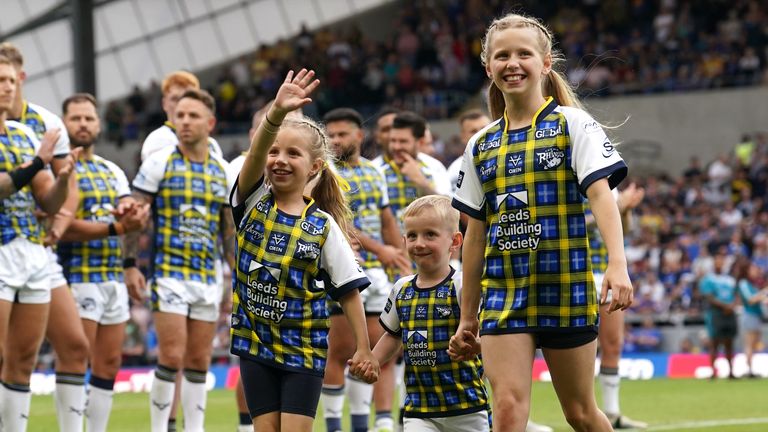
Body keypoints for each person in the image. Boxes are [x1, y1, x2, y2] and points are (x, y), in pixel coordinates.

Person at [449, 13, 630, 432]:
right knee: (508, 411)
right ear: (488, 67)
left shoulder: (573, 125)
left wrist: (617, 265)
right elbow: (474, 234)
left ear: (546, 63)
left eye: (523, 54)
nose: (512, 63)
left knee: (581, 413)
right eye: (502, 56)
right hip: (503, 294)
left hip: (564, 286)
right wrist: (467, 315)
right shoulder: (480, 145)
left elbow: (603, 196)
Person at [229, 68, 378, 432]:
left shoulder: (323, 226)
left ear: (314, 166)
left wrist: (363, 348)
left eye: (292, 153)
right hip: (255, 342)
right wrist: (275, 113)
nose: (279, 159)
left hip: (303, 347)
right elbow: (256, 152)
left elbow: (349, 291)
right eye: (274, 151)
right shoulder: (250, 201)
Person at [126, 88, 235, 432]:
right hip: (169, 273)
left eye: (193, 116)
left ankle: (194, 428)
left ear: (211, 123)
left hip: (207, 277)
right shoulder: (159, 162)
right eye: (180, 115)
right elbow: (134, 217)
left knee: (199, 359)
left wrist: (235, 273)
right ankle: (161, 428)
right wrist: (130, 265)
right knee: (171, 356)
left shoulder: (222, 171)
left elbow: (228, 230)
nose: (184, 121)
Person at [0, 41, 91, 432]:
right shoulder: (34, 146)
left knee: (23, 359)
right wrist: (40, 159)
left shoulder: (23, 133)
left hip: (32, 254)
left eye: (8, 80)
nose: (4, 87)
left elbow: (48, 200)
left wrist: (64, 178)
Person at [351, 195, 490, 432]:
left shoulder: (463, 286)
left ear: (455, 241)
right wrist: (372, 359)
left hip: (467, 406)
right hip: (419, 410)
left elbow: (488, 333)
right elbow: (394, 336)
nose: (419, 243)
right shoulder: (401, 289)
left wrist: (477, 346)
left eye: (430, 235)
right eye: (412, 236)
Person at [57, 93, 150, 431]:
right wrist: (116, 225)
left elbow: (128, 210)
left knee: (109, 363)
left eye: (89, 118)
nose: (83, 124)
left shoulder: (111, 170)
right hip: (76, 275)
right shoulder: (60, 167)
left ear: (98, 124)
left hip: (112, 277)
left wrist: (134, 216)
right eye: (76, 118)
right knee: (75, 359)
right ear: (64, 123)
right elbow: (60, 228)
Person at [322, 107, 410, 432]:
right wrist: (381, 249)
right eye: (329, 135)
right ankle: (334, 424)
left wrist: (399, 257)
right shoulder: (325, 172)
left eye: (341, 134)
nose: (334, 141)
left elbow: (385, 217)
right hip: (342, 272)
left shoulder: (375, 172)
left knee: (381, 347)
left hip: (378, 274)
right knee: (340, 350)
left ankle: (382, 421)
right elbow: (339, 224)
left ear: (359, 136)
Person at [227, 100, 304, 432]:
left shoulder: (319, 175)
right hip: (257, 284)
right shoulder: (241, 169)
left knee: (298, 373)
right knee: (255, 365)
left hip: (303, 288)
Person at [589, 183, 648, 429]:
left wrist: (624, 210)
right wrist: (615, 206)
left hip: (606, 275)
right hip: (576, 273)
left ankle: (612, 412)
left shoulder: (607, 185)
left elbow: (623, 230)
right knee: (584, 349)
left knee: (613, 343)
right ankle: (586, 411)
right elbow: (564, 226)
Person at [141, 70, 223, 162]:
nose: (181, 104)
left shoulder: (212, 145)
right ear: (164, 104)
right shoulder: (157, 140)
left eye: (187, 98)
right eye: (175, 99)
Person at [699, 248, 738, 379]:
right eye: (718, 260)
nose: (720, 262)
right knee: (714, 342)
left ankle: (731, 372)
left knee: (729, 342)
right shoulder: (708, 279)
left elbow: (736, 295)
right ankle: (712, 372)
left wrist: (732, 305)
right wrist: (725, 306)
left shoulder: (730, 279)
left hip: (729, 312)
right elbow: (709, 297)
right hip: (716, 313)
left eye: (722, 260)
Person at [733, 258, 767, 377]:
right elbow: (750, 299)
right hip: (750, 316)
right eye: (752, 269)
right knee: (750, 344)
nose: (755, 271)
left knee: (754, 344)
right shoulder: (743, 283)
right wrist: (764, 293)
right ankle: (749, 370)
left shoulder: (750, 284)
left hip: (756, 316)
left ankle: (751, 368)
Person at [447, 109, 492, 194]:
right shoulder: (457, 169)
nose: (480, 134)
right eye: (473, 131)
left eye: (484, 128)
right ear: (463, 137)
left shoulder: (506, 156)